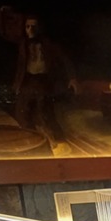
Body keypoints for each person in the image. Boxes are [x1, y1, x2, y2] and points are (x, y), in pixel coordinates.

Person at [14, 13, 77, 144]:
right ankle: (31, 140)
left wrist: (72, 78)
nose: (30, 30)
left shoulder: (49, 44)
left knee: (45, 112)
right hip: (28, 81)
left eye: (33, 27)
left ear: (39, 28)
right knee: (22, 112)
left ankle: (60, 141)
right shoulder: (23, 43)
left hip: (44, 81)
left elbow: (65, 59)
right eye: (27, 27)